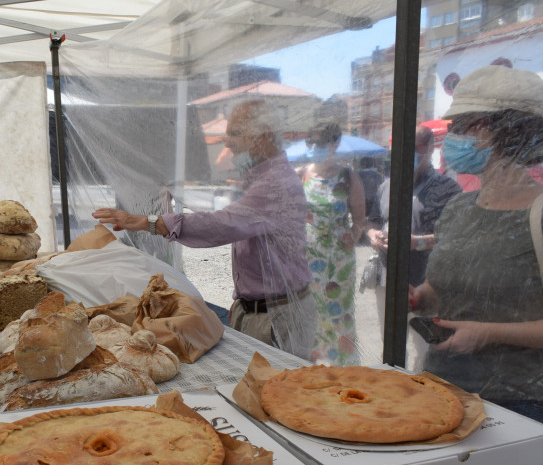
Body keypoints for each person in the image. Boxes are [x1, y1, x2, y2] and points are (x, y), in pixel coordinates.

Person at [410, 65, 543, 426]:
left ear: (508, 130)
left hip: (518, 406)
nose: (454, 137)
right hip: (440, 391)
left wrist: (488, 334)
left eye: (465, 125)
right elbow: (443, 289)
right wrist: (419, 297)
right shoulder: (459, 207)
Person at [92, 99, 316, 360]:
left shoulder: (276, 184)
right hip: (260, 311)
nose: (228, 143)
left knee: (274, 392)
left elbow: (222, 224)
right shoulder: (262, 178)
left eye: (235, 133)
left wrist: (147, 222)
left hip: (277, 316)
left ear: (263, 136)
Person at [365, 125, 462, 371]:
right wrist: (372, 234)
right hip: (388, 279)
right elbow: (373, 220)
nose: (406, 154)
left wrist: (417, 242)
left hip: (426, 281)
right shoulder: (386, 186)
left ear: (430, 149)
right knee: (390, 341)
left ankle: (421, 389)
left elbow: (456, 236)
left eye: (414, 148)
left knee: (426, 346)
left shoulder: (448, 189)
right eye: (398, 149)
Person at [298, 121, 366, 365]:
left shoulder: (347, 176)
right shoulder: (301, 175)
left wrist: (345, 246)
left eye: (320, 142)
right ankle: (313, 365)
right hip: (308, 258)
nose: (314, 146)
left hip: (339, 263)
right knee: (311, 312)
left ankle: (343, 368)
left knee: (340, 315)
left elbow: (359, 219)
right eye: (311, 142)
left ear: (334, 144)